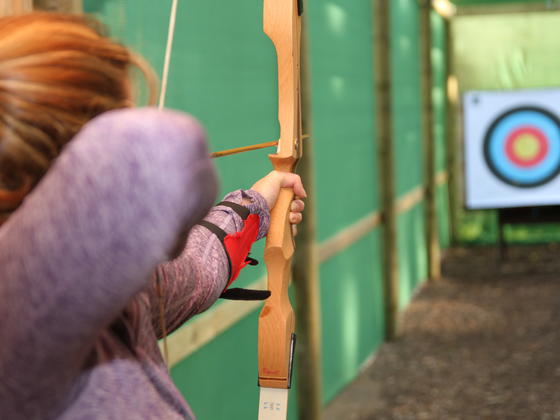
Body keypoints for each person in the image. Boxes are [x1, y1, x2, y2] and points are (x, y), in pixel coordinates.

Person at [0, 12, 306, 420]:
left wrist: (254, 205)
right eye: (118, 113)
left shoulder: (107, 284)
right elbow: (157, 151)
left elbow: (196, 271)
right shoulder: (20, 298)